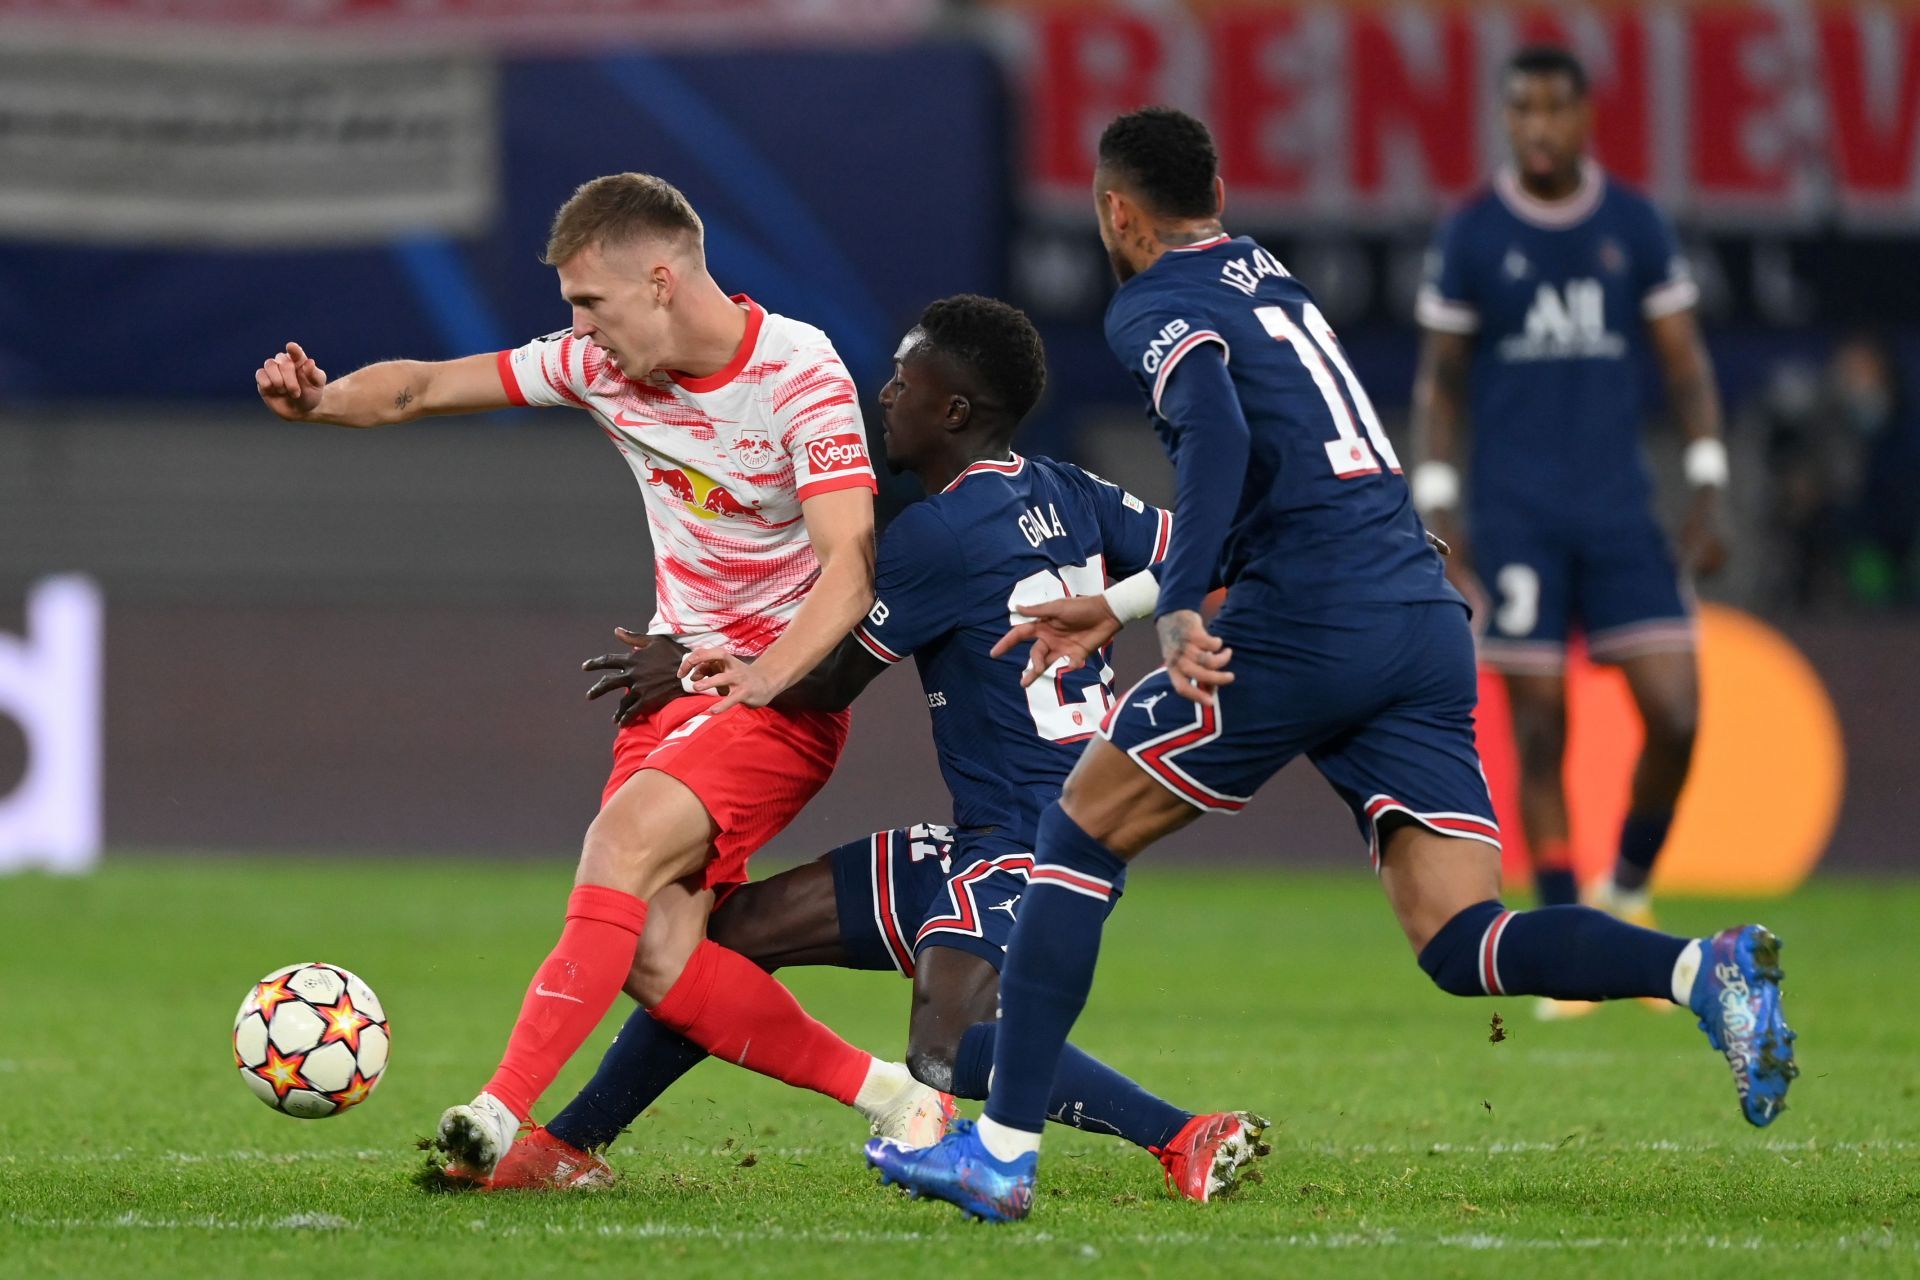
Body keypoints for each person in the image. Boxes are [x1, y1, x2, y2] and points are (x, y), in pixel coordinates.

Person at [866, 107, 1797, 1224]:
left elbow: (1217, 433)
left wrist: (1182, 603)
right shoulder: (1269, 278)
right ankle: (1704, 970)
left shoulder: (1156, 301)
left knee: (1078, 826)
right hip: (1417, 609)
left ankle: (1002, 1152)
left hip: (1307, 618)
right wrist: (1122, 596)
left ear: (1119, 211)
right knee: (1462, 937)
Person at [488, 296, 1265, 1201]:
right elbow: (1205, 553)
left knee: (948, 1052)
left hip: (1031, 845)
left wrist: (701, 668)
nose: (884, 392)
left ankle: (1183, 1136)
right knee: (728, 941)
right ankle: (568, 1145)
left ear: (955, 412)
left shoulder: (938, 533)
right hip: (997, 831)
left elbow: (827, 682)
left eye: (905, 378)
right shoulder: (1069, 490)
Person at [253, 172, 947, 1177]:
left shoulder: (799, 371)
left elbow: (852, 568)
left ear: (661, 280)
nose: (579, 327)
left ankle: (499, 1113)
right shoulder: (598, 366)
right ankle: (897, 1096)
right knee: (659, 956)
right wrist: (320, 401)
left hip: (778, 699)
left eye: (591, 301)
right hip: (674, 698)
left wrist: (758, 676)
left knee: (615, 846)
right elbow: (421, 385)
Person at [1408, 48, 1730, 1006]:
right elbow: (1441, 381)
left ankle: (1625, 886)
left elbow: (1684, 362)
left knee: (1676, 712)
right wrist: (1437, 499)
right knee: (1539, 732)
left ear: (1587, 116)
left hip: (1620, 510)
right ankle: (1563, 951)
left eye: (1554, 109)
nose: (1538, 126)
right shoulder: (1472, 232)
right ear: (1507, 120)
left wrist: (1708, 479)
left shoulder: (1632, 223)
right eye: (1521, 110)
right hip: (1517, 517)